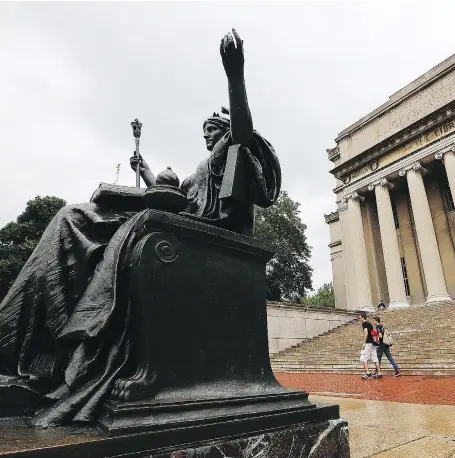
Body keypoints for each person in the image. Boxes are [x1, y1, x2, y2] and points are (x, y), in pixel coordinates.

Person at [0, 29, 281, 427]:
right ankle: (30, 352)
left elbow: (241, 130)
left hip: (199, 235)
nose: (208, 138)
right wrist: (144, 170)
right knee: (73, 217)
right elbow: (177, 197)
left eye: (212, 131)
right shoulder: (204, 165)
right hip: (180, 224)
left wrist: (235, 76)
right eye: (206, 135)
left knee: (86, 224)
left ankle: (58, 347)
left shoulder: (233, 149)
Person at [359, 312, 380, 379]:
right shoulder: (370, 324)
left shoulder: (364, 324)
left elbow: (366, 333)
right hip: (373, 343)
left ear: (363, 318)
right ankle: (379, 373)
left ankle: (368, 373)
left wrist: (364, 343)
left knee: (364, 358)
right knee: (375, 358)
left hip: (368, 343)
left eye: (360, 318)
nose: (360, 319)